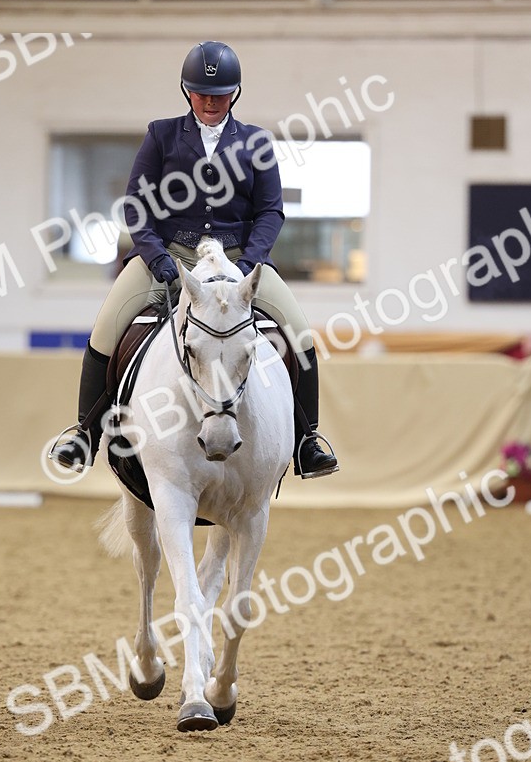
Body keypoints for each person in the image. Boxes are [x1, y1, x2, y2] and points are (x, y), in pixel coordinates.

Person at [53, 40, 338, 480]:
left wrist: (250, 266)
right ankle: (84, 434)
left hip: (239, 258)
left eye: (220, 94)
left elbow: (270, 211)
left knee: (300, 335)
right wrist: (154, 255)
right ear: (187, 92)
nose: (210, 102)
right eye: (202, 93)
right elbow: (136, 206)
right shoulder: (162, 134)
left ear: (235, 93)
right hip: (172, 257)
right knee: (106, 328)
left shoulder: (256, 142)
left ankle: (307, 441)